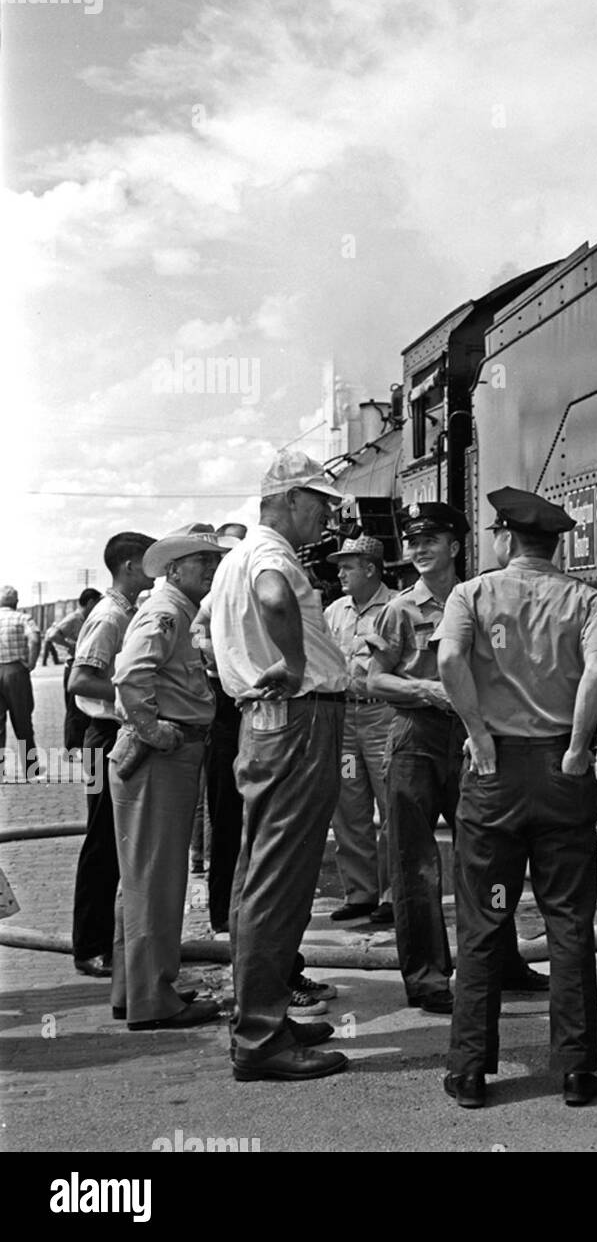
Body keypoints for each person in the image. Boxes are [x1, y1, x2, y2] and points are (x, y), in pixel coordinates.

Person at [436, 487, 597, 1109]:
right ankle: (577, 1069)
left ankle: (468, 1070)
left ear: (508, 538)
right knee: (569, 919)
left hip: (495, 775)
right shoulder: (590, 601)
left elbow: (449, 657)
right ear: (554, 543)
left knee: (485, 920)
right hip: (561, 773)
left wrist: (478, 734)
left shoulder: (470, 595)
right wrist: (578, 746)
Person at [367, 503, 549, 1015]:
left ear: (454, 546)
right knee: (414, 864)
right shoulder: (399, 610)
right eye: (412, 541)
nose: (419, 550)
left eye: (431, 540)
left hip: (474, 739)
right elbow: (372, 679)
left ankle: (501, 961)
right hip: (416, 739)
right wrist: (425, 689)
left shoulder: (483, 600)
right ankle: (427, 978)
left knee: (491, 855)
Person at [207, 450, 351, 1082]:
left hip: (264, 722)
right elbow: (273, 596)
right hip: (299, 716)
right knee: (281, 877)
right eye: (319, 501)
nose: (326, 515)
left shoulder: (232, 558)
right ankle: (261, 1037)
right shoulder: (270, 556)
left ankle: (258, 1014)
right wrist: (292, 663)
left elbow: (210, 628)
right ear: (290, 498)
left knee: (258, 870)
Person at [107, 530, 227, 1030]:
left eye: (213, 561)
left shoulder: (176, 609)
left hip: (167, 758)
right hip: (162, 760)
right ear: (173, 569)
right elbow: (131, 674)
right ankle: (154, 1000)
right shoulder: (167, 611)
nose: (210, 569)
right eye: (200, 561)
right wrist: (154, 730)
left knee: (140, 881)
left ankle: (133, 991)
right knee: (157, 882)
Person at [67, 535, 155, 976]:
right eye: (148, 561)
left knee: (114, 839)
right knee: (102, 840)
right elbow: (81, 681)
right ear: (127, 566)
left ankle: (106, 940)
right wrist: (131, 698)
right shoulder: (109, 615)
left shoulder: (128, 611)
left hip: (116, 732)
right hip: (104, 737)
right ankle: (90, 947)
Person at [323, 535, 395, 924]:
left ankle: (393, 894)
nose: (340, 572)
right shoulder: (335, 612)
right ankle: (361, 892)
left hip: (382, 717)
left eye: (347, 566)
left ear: (370, 568)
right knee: (349, 806)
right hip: (347, 721)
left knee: (391, 804)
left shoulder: (396, 608)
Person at [197, 523, 247, 936]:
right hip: (225, 706)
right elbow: (199, 631)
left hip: (256, 703)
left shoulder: (250, 587)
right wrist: (218, 654)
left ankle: (244, 908)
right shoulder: (214, 597)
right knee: (225, 813)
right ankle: (222, 913)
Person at [46, 590, 102, 753]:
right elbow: (52, 635)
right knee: (73, 710)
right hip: (73, 666)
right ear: (90, 602)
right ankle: (71, 748)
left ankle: (80, 746)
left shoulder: (86, 618)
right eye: (97, 602)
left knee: (82, 709)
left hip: (82, 665)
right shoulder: (74, 618)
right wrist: (73, 646)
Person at [0, 587, 40, 783]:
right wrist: (31, 663)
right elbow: (34, 637)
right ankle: (30, 768)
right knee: (23, 721)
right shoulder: (22, 618)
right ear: (16, 602)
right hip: (16, 672)